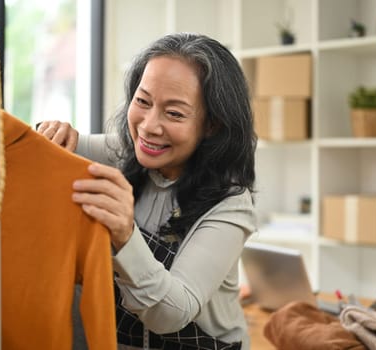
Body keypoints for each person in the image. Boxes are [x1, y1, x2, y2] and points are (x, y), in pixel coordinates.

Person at [38, 32, 257, 350]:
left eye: (174, 113)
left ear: (212, 125)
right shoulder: (123, 153)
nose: (149, 126)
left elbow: (170, 314)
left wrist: (126, 235)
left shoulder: (231, 204)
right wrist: (57, 133)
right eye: (142, 102)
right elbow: (52, 150)